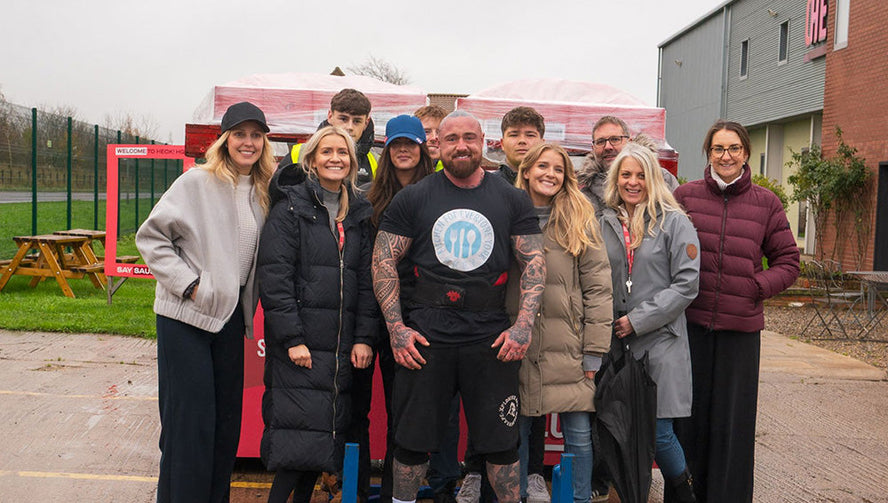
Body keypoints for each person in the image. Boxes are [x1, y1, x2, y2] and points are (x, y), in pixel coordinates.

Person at [372, 110, 546, 503]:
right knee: (411, 442)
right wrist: (397, 330)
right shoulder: (413, 197)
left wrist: (522, 327)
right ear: (437, 145)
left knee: (502, 445)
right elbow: (383, 261)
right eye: (452, 139)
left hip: (490, 334)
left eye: (469, 137)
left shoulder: (511, 198)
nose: (461, 146)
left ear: (483, 142)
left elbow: (534, 263)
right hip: (426, 333)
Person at [135, 101, 274, 502]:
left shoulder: (263, 191)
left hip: (228, 320)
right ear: (224, 140)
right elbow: (151, 238)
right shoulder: (196, 182)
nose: (248, 142)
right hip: (187, 318)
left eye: (256, 135)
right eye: (239, 134)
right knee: (189, 426)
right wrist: (191, 286)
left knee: (224, 428)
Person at [670, 120, 800, 503]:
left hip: (740, 334)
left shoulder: (766, 203)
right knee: (687, 424)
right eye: (718, 149)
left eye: (733, 148)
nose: (725, 156)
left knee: (732, 428)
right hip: (690, 328)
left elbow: (788, 261)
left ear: (745, 153)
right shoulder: (685, 197)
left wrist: (755, 288)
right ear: (708, 153)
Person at [257, 125, 379, 503]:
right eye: (327, 151)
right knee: (297, 446)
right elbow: (275, 279)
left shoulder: (358, 214)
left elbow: (366, 283)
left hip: (338, 351)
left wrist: (363, 338)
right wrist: (292, 339)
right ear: (311, 159)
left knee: (318, 446)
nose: (335, 159)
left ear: (353, 163)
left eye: (342, 153)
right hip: (302, 348)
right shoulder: (289, 209)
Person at [456, 105, 549, 503]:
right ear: (501, 140)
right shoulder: (484, 183)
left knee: (534, 395)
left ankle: (534, 472)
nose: (523, 142)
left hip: (535, 308)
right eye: (515, 134)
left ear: (541, 140)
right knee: (487, 398)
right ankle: (475, 470)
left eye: (531, 134)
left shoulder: (551, 180)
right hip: (490, 308)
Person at [599, 142, 701, 503]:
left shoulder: (675, 222)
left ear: (653, 178)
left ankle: (685, 494)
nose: (633, 182)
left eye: (641, 175)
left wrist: (638, 320)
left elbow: (687, 284)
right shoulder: (603, 223)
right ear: (615, 179)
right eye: (626, 174)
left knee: (658, 430)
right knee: (618, 428)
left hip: (661, 342)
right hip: (616, 344)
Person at [511, 143, 613, 503]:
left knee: (579, 435)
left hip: (569, 344)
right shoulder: (507, 212)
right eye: (542, 166)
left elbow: (599, 288)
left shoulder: (580, 217)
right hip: (518, 344)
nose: (550, 174)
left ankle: (579, 498)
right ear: (526, 171)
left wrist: (594, 350)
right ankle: (518, 495)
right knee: (517, 434)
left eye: (558, 168)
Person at [348, 115, 435, 503]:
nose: (403, 150)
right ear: (387, 149)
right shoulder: (366, 197)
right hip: (370, 315)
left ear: (422, 149)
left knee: (405, 412)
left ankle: (395, 494)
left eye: (410, 144)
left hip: (415, 318)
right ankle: (357, 489)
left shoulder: (436, 194)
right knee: (356, 410)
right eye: (396, 143)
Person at [578, 115, 679, 215]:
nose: (608, 147)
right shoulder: (585, 196)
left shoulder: (663, 178)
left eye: (615, 139)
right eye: (600, 142)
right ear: (593, 148)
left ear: (629, 142)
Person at [278, 88, 378, 185]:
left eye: (357, 121)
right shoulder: (299, 154)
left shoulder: (376, 162)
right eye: (343, 119)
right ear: (330, 116)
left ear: (366, 123)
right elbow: (278, 192)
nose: (349, 127)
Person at [414, 104, 448, 171]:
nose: (434, 138)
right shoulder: (404, 171)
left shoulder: (456, 172)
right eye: (426, 132)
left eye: (439, 132)